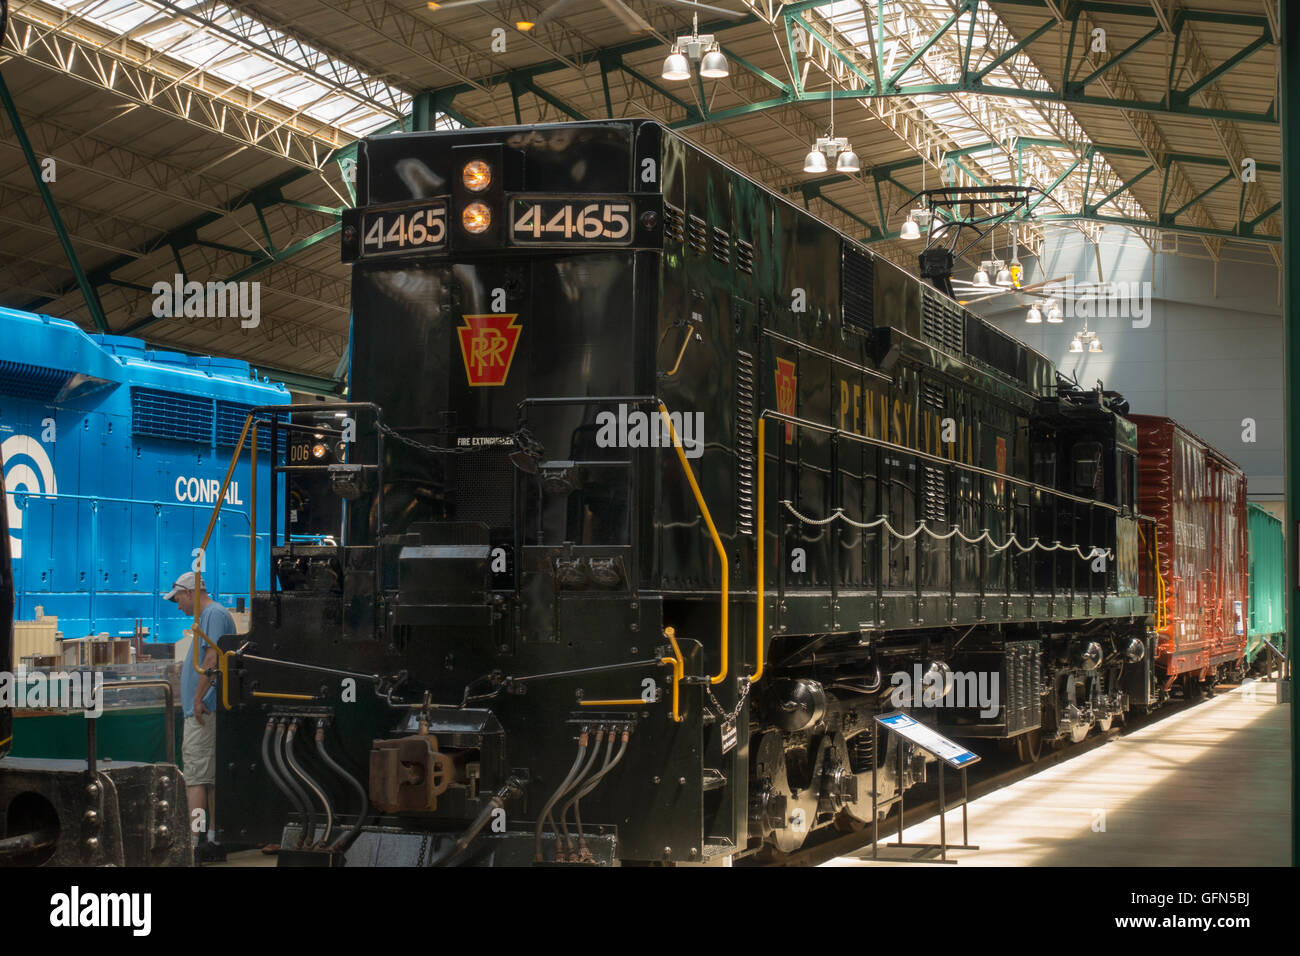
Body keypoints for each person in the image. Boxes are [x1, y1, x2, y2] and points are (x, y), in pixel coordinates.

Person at [164, 570, 235, 863]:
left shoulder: (213, 615)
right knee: (209, 778)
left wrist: (197, 698)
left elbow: (212, 658)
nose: (177, 605)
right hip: (208, 708)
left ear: (190, 593)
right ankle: (212, 839)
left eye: (178, 598)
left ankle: (193, 843)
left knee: (195, 778)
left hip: (204, 711)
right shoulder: (211, 616)